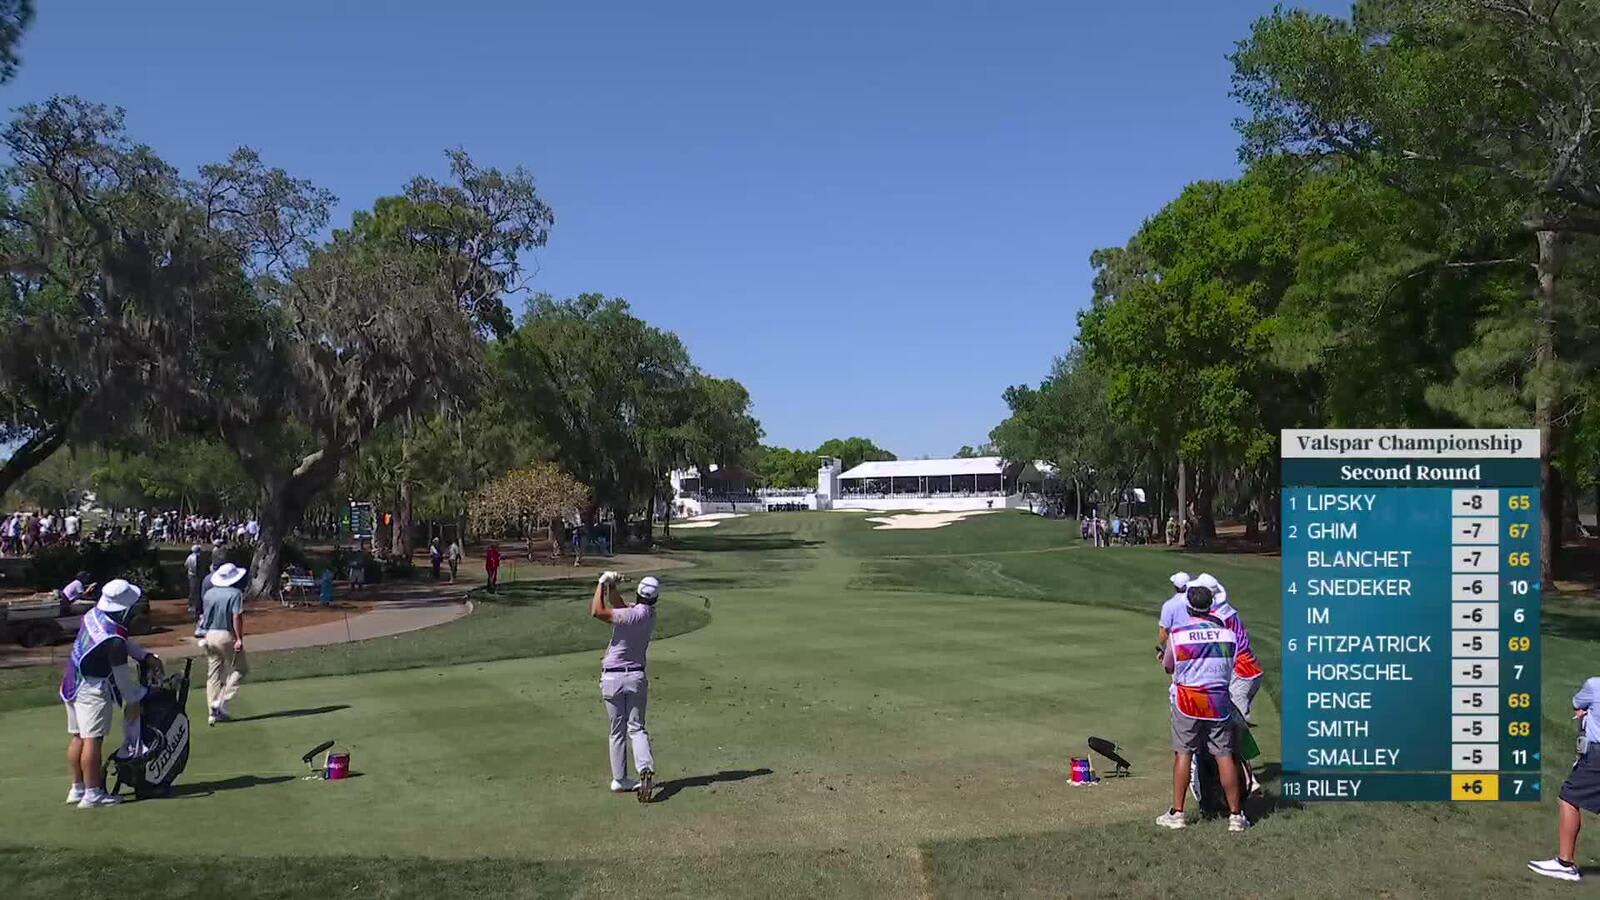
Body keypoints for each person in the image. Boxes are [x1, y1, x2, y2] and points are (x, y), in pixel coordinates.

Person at [60, 579, 160, 809]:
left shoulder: (93, 614)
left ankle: (78, 788)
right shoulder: (113, 640)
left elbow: (122, 641)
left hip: (72, 681)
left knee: (78, 736)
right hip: (91, 690)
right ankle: (93, 794)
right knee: (92, 740)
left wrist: (144, 656)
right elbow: (122, 678)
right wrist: (133, 700)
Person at [1158, 584, 1249, 832]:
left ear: (1189, 607)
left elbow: (1168, 666)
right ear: (1211, 605)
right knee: (1224, 755)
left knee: (1183, 753)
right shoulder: (1227, 635)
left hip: (1188, 700)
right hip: (1218, 701)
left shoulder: (1178, 635)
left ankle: (1178, 814)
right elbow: (1229, 666)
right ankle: (1236, 816)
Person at [590, 571, 660, 802]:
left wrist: (602, 582)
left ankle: (619, 779)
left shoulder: (630, 615)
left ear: (639, 593)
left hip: (612, 678)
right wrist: (612, 584)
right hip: (636, 678)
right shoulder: (648, 614)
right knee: (637, 728)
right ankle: (644, 768)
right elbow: (617, 603)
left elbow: (597, 611)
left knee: (616, 730)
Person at [1194, 572, 1264, 796]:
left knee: (1232, 732)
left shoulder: (1218, 617)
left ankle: (1248, 782)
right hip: (1248, 671)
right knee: (1235, 729)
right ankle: (1246, 777)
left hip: (1241, 673)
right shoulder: (1225, 610)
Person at [1529, 677, 1600, 881]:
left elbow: (1577, 703)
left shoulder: (1595, 685)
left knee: (1569, 798)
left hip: (1596, 757)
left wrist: (1585, 712)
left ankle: (1565, 863)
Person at [199, 562, 249, 726]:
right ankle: (220, 702)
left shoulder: (209, 594)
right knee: (241, 669)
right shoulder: (235, 593)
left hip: (209, 635)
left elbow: (205, 616)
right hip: (225, 634)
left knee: (213, 673)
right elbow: (236, 616)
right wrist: (239, 638)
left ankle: (213, 714)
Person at [1155, 571, 1192, 658]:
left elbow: (1163, 631)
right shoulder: (1197, 601)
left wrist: (1163, 649)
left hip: (1179, 647)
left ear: (1175, 587)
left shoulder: (1169, 605)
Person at [184, 544, 204, 619]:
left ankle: (191, 605)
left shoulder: (189, 557)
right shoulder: (197, 557)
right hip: (196, 576)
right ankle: (195, 606)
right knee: (196, 590)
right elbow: (197, 567)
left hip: (190, 575)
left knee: (192, 590)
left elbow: (185, 565)